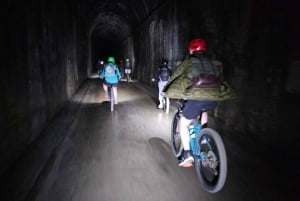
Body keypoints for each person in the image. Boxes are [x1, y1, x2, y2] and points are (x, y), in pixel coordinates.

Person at [163, 38, 235, 167]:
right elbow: (220, 79)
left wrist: (167, 89)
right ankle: (204, 135)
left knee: (184, 124)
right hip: (213, 98)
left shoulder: (189, 62)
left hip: (196, 99)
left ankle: (187, 154)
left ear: (191, 50)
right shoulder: (213, 63)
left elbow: (175, 75)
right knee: (204, 110)